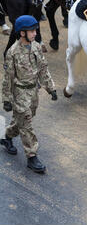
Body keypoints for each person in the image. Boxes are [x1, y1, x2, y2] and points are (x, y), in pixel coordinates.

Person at [0, 15, 57, 173]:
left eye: (35, 29)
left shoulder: (37, 47)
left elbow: (43, 69)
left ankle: (6, 137)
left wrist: (50, 88)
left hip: (33, 92)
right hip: (20, 93)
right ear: (22, 33)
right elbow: (8, 78)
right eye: (32, 30)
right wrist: (6, 99)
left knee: (23, 120)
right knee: (26, 124)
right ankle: (32, 157)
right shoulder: (12, 52)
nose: (35, 32)